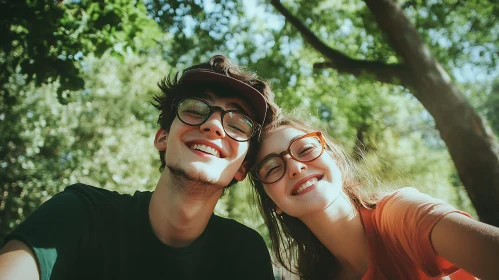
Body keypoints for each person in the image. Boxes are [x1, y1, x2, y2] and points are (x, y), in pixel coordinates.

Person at [0, 55, 279, 280]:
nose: (213, 125)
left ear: (242, 167)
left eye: (237, 124)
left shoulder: (243, 253)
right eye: (195, 109)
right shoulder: (80, 213)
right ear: (162, 137)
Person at [249, 113, 499, 280]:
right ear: (272, 203)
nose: (295, 167)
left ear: (334, 159)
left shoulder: (401, 214)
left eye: (305, 149)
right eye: (272, 169)